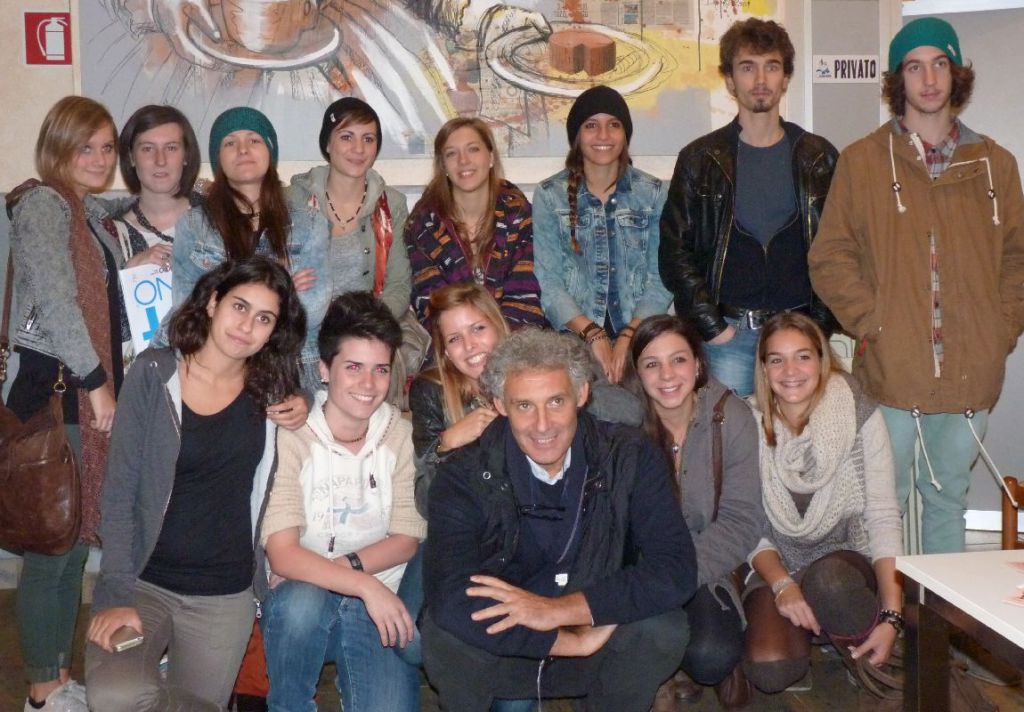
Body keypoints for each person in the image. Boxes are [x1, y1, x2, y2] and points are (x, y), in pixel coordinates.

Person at [808, 17, 1024, 554]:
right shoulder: (862, 161)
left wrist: (1000, 330)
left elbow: (1018, 259)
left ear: (956, 73)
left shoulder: (995, 165)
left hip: (970, 373)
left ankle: (939, 609)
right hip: (892, 372)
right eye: (914, 67)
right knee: (883, 504)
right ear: (897, 79)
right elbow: (830, 255)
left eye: (940, 64)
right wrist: (874, 324)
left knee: (949, 500)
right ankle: (889, 607)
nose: (929, 79)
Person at [421, 328, 697, 710]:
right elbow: (450, 594)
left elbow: (676, 569)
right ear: (499, 404)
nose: (543, 424)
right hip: (512, 643)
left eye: (555, 401)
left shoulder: (630, 455)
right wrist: (563, 640)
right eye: (524, 405)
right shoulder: (463, 473)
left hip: (595, 624)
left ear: (581, 394)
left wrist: (561, 611)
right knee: (443, 635)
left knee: (663, 628)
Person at [84, 256, 306, 711]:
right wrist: (117, 592)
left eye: (264, 318)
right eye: (239, 307)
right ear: (212, 302)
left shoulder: (272, 393)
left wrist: (305, 397)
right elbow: (119, 493)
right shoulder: (154, 373)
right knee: (116, 697)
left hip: (224, 592)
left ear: (273, 332)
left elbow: (336, 396)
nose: (247, 326)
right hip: (144, 582)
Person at [4, 95, 123, 712]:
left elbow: (121, 214)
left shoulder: (85, 212)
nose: (99, 158)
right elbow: (55, 302)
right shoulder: (45, 206)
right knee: (51, 551)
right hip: (54, 396)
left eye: (107, 147)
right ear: (57, 147)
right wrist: (97, 379)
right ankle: (40, 691)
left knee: (73, 551)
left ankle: (58, 677)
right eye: (86, 147)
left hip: (72, 395)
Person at [259, 292, 425, 712]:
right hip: (305, 600)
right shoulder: (291, 434)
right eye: (353, 367)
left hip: (379, 600)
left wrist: (350, 575)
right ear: (324, 370)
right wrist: (362, 583)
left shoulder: (399, 434)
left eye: (380, 370)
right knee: (302, 603)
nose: (368, 385)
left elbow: (407, 538)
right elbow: (282, 554)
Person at [659, 17, 838, 396]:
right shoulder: (700, 159)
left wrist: (819, 328)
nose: (760, 79)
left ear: (785, 78)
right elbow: (674, 253)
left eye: (771, 66)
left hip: (799, 338)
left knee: (803, 433)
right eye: (747, 67)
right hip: (729, 338)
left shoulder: (819, 158)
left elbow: (842, 248)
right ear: (729, 80)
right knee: (728, 434)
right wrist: (714, 328)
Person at [743, 313, 903, 694]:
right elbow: (747, 526)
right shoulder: (745, 422)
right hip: (776, 564)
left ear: (822, 359)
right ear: (763, 368)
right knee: (770, 671)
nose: (790, 371)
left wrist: (892, 616)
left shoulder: (860, 414)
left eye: (803, 356)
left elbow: (883, 516)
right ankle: (821, 634)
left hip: (844, 562)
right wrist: (782, 585)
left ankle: (863, 641)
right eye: (777, 359)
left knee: (829, 583)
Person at [410, 282, 643, 517]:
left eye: (478, 329)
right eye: (454, 339)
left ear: (498, 325)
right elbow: (427, 506)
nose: (469, 345)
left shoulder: (549, 355)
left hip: (573, 503)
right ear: (446, 353)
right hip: (495, 522)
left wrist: (561, 397)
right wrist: (446, 445)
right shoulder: (430, 391)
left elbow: (631, 411)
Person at [628, 314, 763, 708]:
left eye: (678, 360)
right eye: (651, 364)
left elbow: (742, 520)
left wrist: (678, 573)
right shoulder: (623, 425)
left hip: (704, 563)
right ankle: (657, 672)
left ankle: (686, 659)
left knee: (710, 656)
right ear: (637, 373)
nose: (667, 375)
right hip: (641, 567)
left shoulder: (731, 417)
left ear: (699, 363)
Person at [171, 106, 328, 397]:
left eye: (254, 140)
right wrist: (283, 288)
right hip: (213, 373)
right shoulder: (193, 225)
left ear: (270, 151)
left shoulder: (309, 222)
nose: (243, 149)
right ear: (218, 158)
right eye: (230, 142)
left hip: (291, 372)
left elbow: (314, 307)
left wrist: (226, 295)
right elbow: (188, 306)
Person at [533, 85, 671, 384]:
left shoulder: (654, 193)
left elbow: (661, 279)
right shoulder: (549, 195)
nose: (603, 135)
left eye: (614, 125)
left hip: (643, 332)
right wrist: (593, 334)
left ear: (625, 134)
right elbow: (549, 283)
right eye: (591, 125)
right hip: (574, 336)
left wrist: (629, 336)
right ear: (577, 136)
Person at [405, 117, 545, 329]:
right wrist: (471, 338)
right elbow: (431, 303)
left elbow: (525, 296)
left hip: (515, 335)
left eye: (473, 149)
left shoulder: (519, 216)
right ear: (443, 165)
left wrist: (496, 339)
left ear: (490, 157)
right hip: (452, 337)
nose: (463, 160)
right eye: (451, 153)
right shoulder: (422, 225)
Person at [287, 97, 411, 319]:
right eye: (346, 137)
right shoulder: (292, 201)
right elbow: (266, 276)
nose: (359, 148)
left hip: (369, 326)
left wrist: (362, 327)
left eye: (368, 139)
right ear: (327, 143)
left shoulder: (392, 205)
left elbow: (399, 286)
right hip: (302, 323)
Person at [112, 104, 201, 365]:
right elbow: (98, 324)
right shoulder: (110, 234)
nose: (160, 160)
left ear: (186, 156)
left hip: (210, 376)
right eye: (147, 148)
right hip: (138, 378)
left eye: (171, 148)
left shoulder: (219, 223)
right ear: (131, 157)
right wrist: (126, 276)